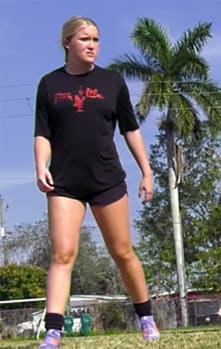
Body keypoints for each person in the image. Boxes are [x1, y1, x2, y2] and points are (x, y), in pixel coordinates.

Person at [34, 16, 159, 348]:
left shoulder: (111, 82)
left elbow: (131, 129)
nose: (91, 45)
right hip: (64, 183)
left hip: (107, 180)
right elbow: (42, 133)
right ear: (67, 44)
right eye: (84, 39)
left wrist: (146, 171)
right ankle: (54, 332)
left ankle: (146, 319)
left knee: (122, 252)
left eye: (96, 39)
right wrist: (40, 165)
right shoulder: (49, 84)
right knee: (62, 254)